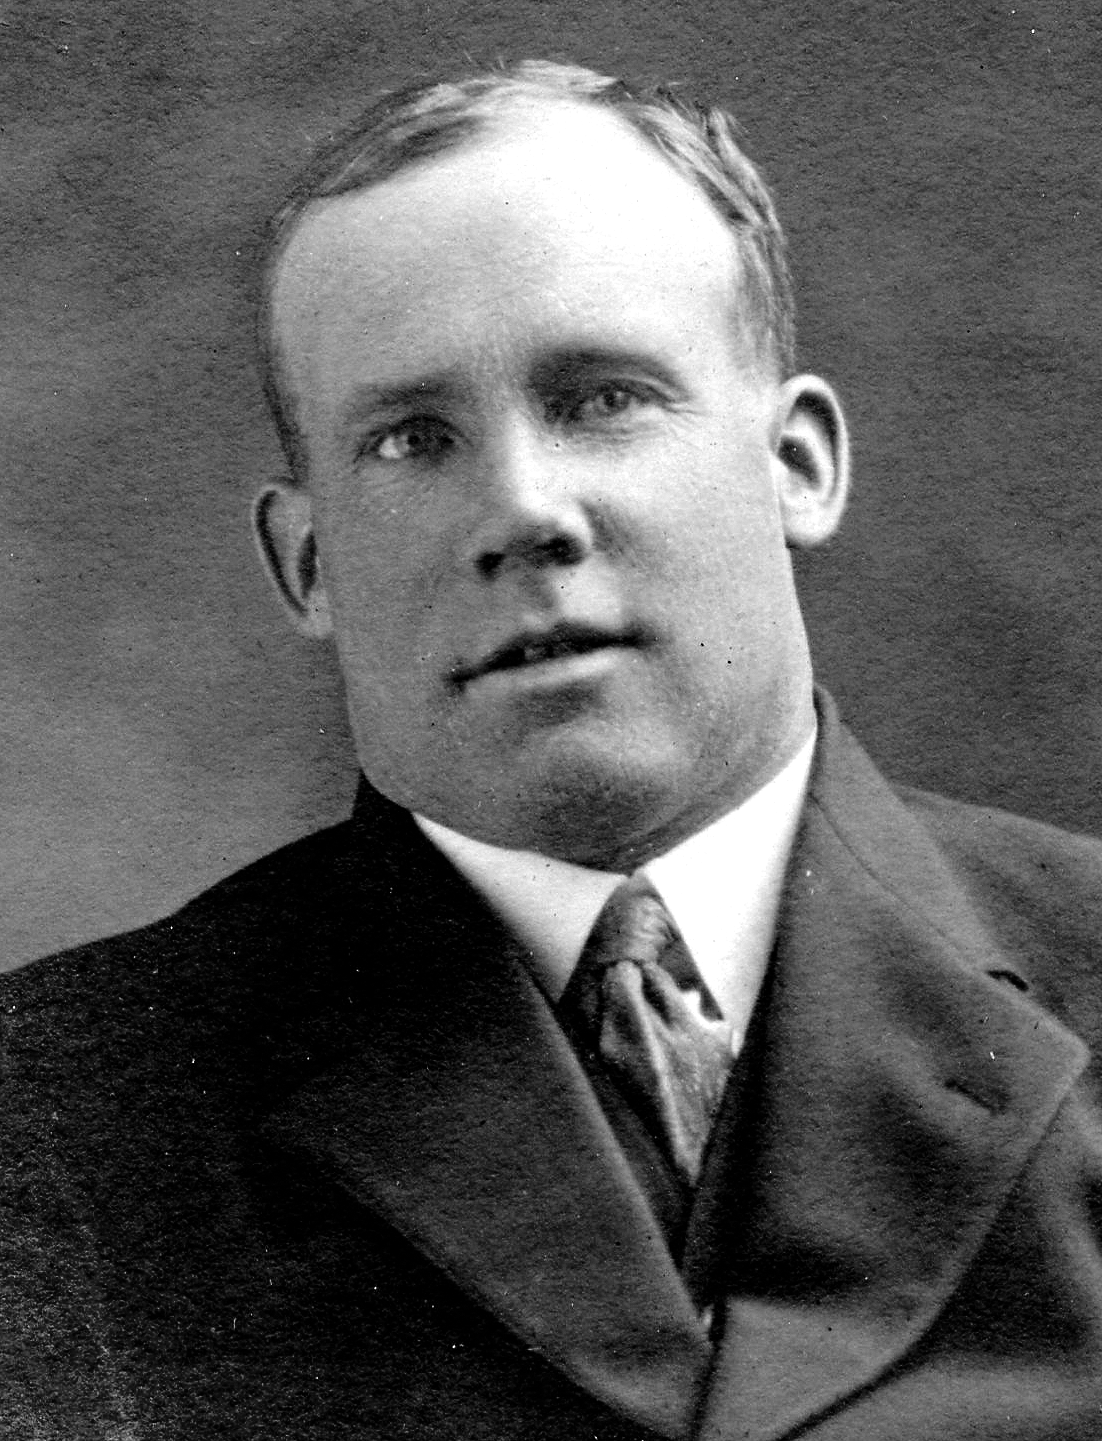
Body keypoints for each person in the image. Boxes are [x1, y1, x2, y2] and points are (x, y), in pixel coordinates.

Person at [3, 59, 1102, 1441]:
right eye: (412, 439)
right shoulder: (52, 1123)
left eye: (601, 399)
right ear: (306, 564)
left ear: (797, 465)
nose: (522, 509)